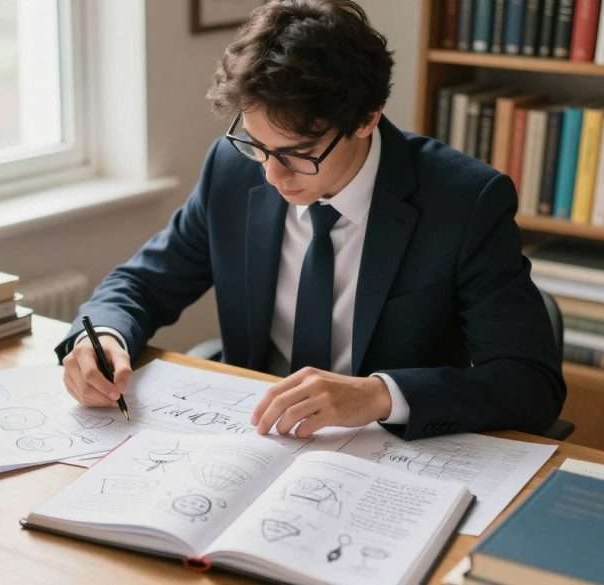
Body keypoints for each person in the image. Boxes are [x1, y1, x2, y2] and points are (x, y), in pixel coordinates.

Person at [55, 0, 565, 440]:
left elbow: (530, 382)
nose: (274, 175)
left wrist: (379, 395)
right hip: (255, 444)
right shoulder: (234, 170)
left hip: (391, 454)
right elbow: (141, 283)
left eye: (299, 153)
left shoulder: (465, 201)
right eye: (258, 145)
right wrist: (100, 338)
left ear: (367, 118)